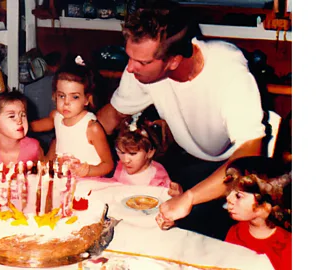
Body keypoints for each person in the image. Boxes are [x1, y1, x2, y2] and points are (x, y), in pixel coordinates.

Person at [96, 2, 272, 239]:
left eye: (142, 63)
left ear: (175, 61)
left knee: (200, 239)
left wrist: (190, 197)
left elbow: (250, 152)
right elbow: (112, 114)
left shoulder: (228, 70)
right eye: (129, 57)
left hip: (230, 167)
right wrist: (66, 145)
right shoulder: (139, 66)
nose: (129, 68)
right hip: (183, 160)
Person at [31, 55, 114, 178]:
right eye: (62, 96)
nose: (66, 102)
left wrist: (88, 171)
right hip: (64, 179)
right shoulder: (57, 117)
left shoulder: (91, 128)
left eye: (74, 97)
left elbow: (108, 164)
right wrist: (20, 126)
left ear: (87, 99)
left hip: (89, 182)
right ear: (55, 96)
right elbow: (37, 125)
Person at [223, 156, 291, 270]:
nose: (228, 198)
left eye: (238, 196)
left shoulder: (287, 246)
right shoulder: (235, 233)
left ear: (265, 206)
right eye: (230, 191)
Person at [111, 113, 181, 196]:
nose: (125, 160)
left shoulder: (159, 178)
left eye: (133, 154)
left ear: (150, 152)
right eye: (121, 152)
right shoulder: (118, 166)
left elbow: (169, 201)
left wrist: (177, 196)